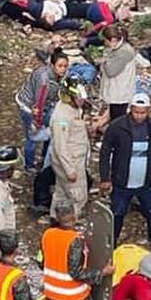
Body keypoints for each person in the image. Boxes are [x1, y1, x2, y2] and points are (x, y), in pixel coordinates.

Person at [98, 92, 151, 247]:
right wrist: (105, 177)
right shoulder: (117, 126)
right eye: (136, 112)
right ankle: (111, 244)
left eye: (143, 113)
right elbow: (105, 152)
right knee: (117, 214)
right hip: (122, 182)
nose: (139, 116)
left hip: (146, 182)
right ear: (131, 109)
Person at [15, 49, 69, 171]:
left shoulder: (61, 76)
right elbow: (38, 103)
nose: (63, 69)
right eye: (60, 66)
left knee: (51, 130)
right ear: (52, 65)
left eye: (65, 66)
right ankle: (29, 166)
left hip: (46, 105)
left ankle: (45, 158)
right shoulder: (44, 80)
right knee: (32, 137)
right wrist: (37, 122)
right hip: (29, 106)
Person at [48, 76, 92, 219]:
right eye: (79, 97)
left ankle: (55, 218)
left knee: (61, 193)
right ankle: (71, 223)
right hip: (70, 162)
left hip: (73, 159)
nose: (82, 100)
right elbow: (60, 146)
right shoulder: (62, 116)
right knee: (77, 197)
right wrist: (70, 170)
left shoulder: (73, 108)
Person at [97, 24, 138, 126]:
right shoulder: (119, 48)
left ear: (113, 40)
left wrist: (104, 61)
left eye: (106, 41)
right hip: (117, 91)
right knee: (114, 116)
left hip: (120, 93)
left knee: (118, 120)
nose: (105, 43)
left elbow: (111, 71)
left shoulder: (124, 52)